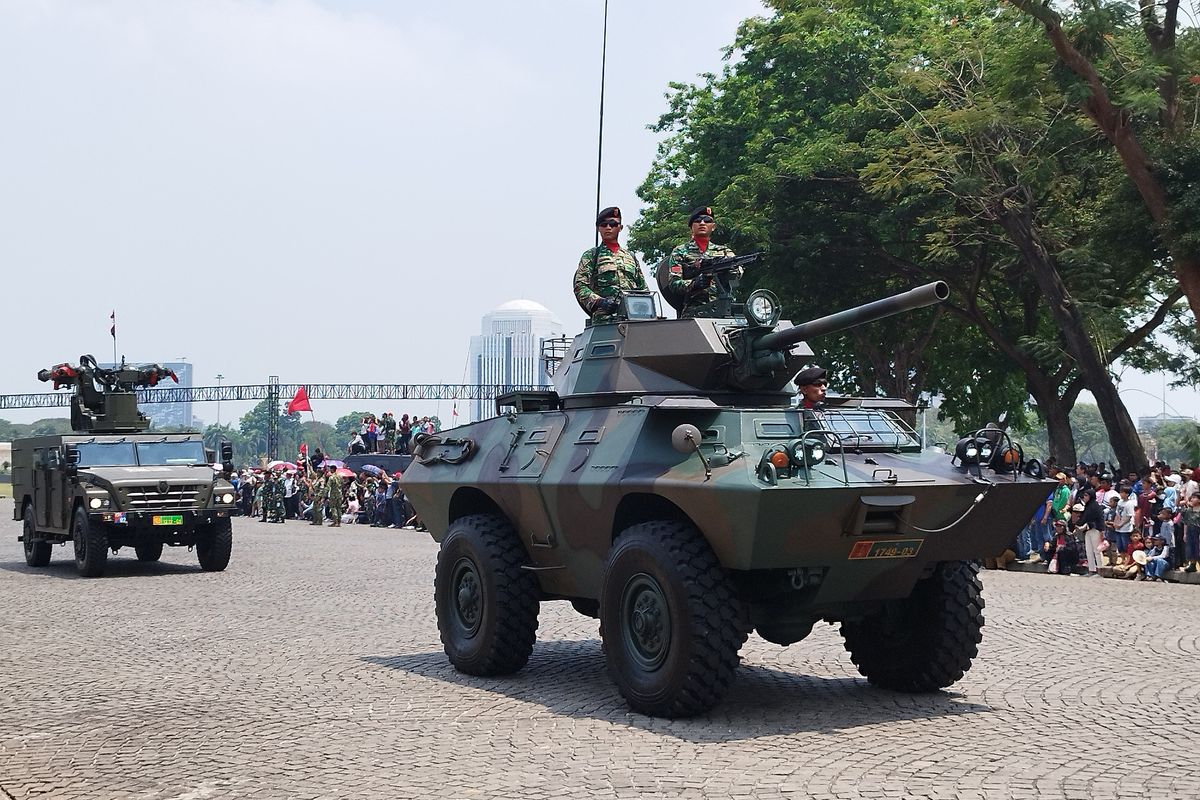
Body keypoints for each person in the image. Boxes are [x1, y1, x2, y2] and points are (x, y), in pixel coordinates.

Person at [573, 206, 646, 324]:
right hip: (604, 321)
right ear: (598, 228)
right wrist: (600, 301)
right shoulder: (592, 255)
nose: (608, 228)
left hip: (633, 320)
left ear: (620, 227)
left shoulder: (630, 257)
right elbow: (580, 287)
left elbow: (642, 288)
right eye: (603, 224)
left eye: (613, 224)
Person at [663, 206, 738, 318]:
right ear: (691, 227)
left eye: (707, 220)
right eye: (698, 221)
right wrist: (694, 283)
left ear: (713, 227)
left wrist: (729, 271)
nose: (702, 223)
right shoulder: (680, 252)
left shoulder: (724, 251)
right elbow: (674, 284)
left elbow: (738, 272)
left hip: (725, 309)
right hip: (695, 312)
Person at [1074, 490, 1105, 577]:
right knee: (1089, 551)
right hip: (1088, 530)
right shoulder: (1087, 506)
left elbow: (1089, 518)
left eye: (1086, 495)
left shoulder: (1094, 506)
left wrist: (1078, 523)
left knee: (1097, 551)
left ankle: (1100, 571)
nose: (1085, 497)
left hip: (1096, 530)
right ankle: (1091, 570)